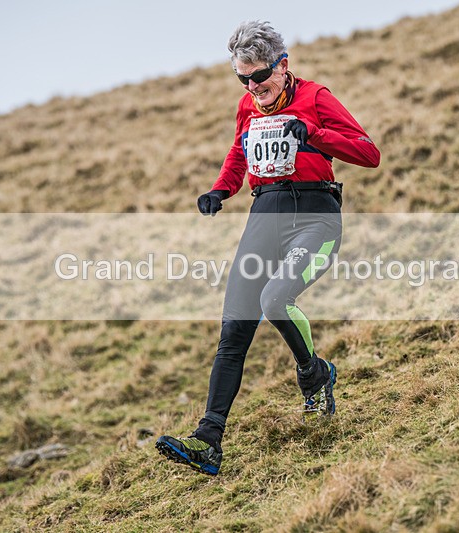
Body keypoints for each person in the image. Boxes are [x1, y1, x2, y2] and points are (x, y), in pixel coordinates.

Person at [156, 20, 379, 475]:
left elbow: (368, 153)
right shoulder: (247, 105)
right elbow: (239, 152)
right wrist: (221, 190)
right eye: (243, 79)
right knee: (233, 330)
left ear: (282, 65)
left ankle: (314, 376)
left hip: (315, 219)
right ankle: (208, 441)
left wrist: (314, 134)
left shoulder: (315, 97)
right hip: (264, 217)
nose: (253, 87)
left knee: (275, 300)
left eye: (259, 76)